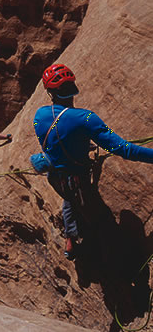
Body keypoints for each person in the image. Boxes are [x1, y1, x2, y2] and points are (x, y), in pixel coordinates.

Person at [33, 64, 153, 259]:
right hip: (77, 180)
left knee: (69, 201)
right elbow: (125, 149)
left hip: (55, 178)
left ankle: (70, 238)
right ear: (73, 87)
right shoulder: (85, 118)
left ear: (49, 92)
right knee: (97, 217)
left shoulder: (39, 115)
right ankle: (109, 255)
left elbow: (54, 141)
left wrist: (78, 144)